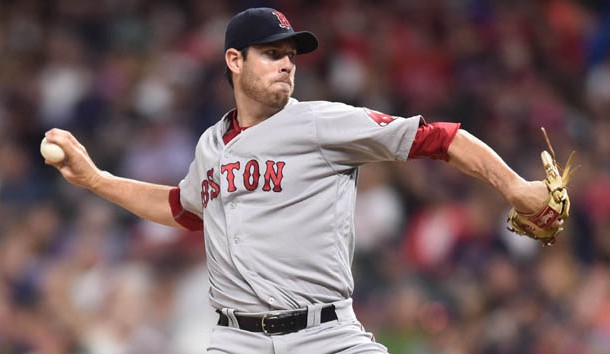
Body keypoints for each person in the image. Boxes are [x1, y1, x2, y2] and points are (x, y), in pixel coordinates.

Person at [44, 7, 552, 353]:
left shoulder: (321, 122)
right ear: (234, 61)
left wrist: (514, 186)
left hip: (325, 336)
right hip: (235, 340)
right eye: (271, 52)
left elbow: (438, 138)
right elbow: (182, 209)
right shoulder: (209, 144)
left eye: (290, 53)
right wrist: (96, 179)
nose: (287, 62)